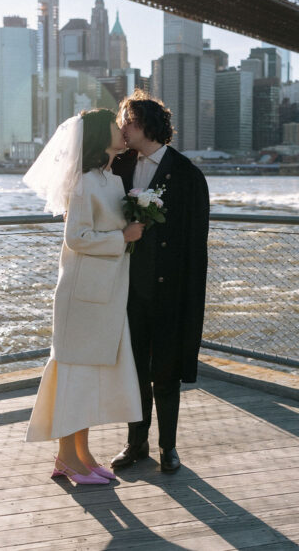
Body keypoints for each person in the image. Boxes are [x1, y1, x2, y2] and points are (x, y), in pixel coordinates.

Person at [23, 108, 145, 486]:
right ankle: (66, 458)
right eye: (115, 125)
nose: (122, 130)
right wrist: (122, 238)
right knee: (74, 374)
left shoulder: (111, 179)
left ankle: (82, 455)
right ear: (97, 135)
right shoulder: (83, 182)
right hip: (81, 293)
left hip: (107, 289)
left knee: (88, 376)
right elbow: (75, 237)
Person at [109, 92, 210, 473]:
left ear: (147, 125)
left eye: (128, 121)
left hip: (169, 292)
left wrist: (189, 298)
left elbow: (196, 247)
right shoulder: (118, 167)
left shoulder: (187, 175)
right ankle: (136, 443)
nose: (122, 128)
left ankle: (169, 447)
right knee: (133, 370)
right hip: (127, 290)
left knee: (165, 373)